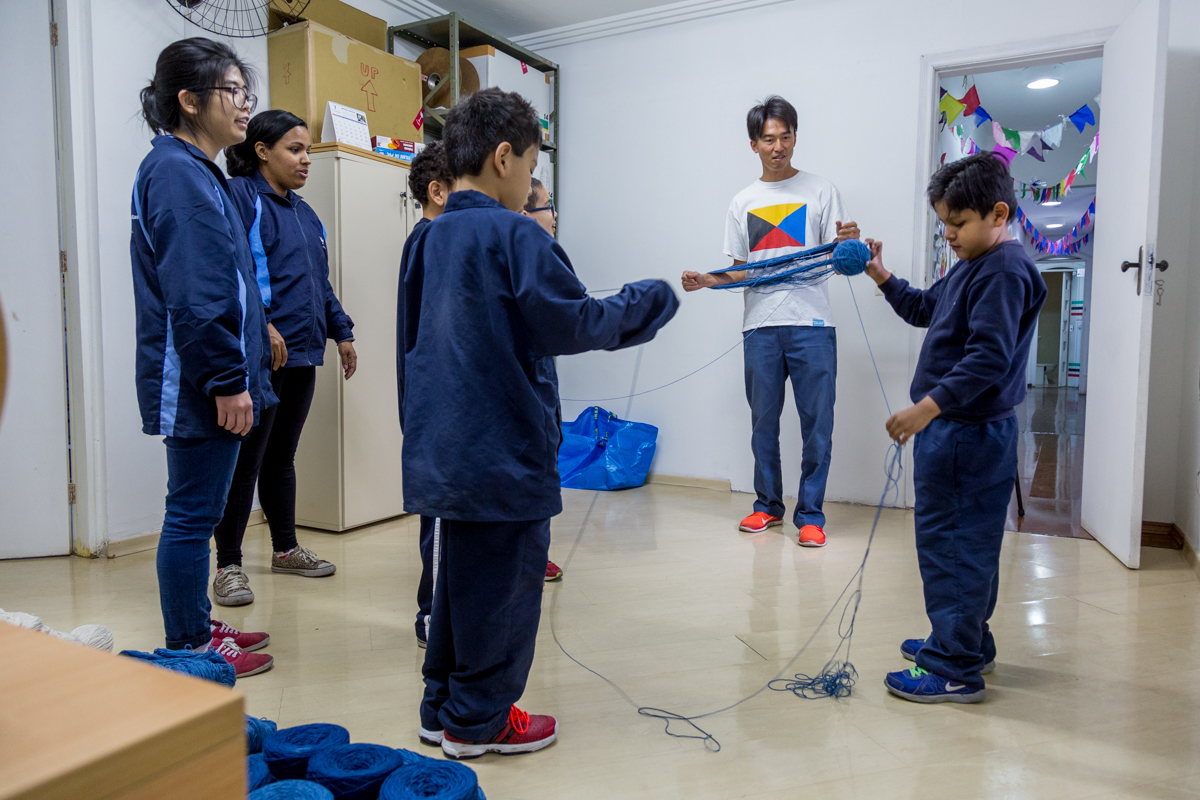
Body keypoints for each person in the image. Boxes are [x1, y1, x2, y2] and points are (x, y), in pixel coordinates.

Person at [401, 87, 678, 759]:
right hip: (504, 454)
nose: (532, 185)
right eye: (530, 168)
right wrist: (649, 301)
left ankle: (442, 706)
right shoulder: (515, 231)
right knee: (504, 592)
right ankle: (481, 721)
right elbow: (575, 322)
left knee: (460, 582)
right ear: (504, 158)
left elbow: (410, 343)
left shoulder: (425, 238)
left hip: (441, 447)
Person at [864, 152, 1046, 703]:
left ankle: (954, 666)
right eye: (943, 222)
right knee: (968, 546)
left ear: (997, 214)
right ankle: (967, 640)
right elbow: (925, 309)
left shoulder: (1006, 270)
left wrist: (928, 408)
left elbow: (989, 357)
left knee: (952, 548)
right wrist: (880, 273)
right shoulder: (972, 265)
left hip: (966, 434)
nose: (948, 233)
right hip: (959, 431)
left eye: (958, 222)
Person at [131, 38, 274, 677]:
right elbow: (195, 288)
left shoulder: (196, 170)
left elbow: (228, 280)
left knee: (203, 509)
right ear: (190, 101)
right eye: (233, 92)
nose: (246, 106)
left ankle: (195, 623)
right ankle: (188, 646)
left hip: (211, 372)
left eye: (247, 93)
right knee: (191, 515)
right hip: (196, 379)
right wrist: (225, 379)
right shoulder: (175, 172)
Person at [681, 96, 859, 548]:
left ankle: (812, 515)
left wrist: (848, 246)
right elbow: (743, 268)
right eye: (768, 139)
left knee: (817, 423)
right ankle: (767, 507)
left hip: (813, 326)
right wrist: (708, 280)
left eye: (785, 137)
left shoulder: (821, 190)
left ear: (795, 138)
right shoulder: (743, 201)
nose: (778, 146)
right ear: (753, 145)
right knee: (763, 423)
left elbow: (836, 261)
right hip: (759, 327)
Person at [403, 158, 567, 650]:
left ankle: (455, 625)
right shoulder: (432, 243)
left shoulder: (492, 243)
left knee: (478, 543)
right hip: (450, 432)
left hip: (486, 429)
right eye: (541, 205)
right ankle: (432, 614)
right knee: (443, 526)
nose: (547, 214)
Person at [209, 110, 355, 607]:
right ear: (261, 150)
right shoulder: (240, 197)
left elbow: (321, 284)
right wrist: (263, 325)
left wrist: (343, 333)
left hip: (304, 353)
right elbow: (236, 271)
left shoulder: (306, 213)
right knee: (244, 462)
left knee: (281, 457)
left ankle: (285, 549)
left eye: (308, 150)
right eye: (295, 149)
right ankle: (228, 563)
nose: (305, 160)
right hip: (262, 354)